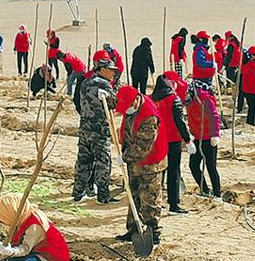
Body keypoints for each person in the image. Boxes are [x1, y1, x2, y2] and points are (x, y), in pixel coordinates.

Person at [114, 85, 168, 245]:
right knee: (134, 196)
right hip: (133, 162)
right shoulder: (131, 107)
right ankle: (133, 230)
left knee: (149, 198)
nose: (127, 110)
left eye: (129, 106)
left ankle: (153, 231)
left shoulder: (150, 116)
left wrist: (124, 157)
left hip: (151, 163)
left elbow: (143, 147)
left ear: (136, 100)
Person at [74, 58, 120, 204]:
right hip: (99, 130)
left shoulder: (85, 83)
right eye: (110, 70)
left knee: (83, 161)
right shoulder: (104, 85)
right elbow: (114, 103)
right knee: (103, 162)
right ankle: (103, 195)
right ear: (102, 70)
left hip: (85, 127)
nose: (113, 73)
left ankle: (78, 192)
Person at [152, 71, 195, 214]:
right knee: (174, 172)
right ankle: (174, 204)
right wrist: (188, 140)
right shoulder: (173, 99)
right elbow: (179, 122)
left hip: (158, 140)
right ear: (170, 83)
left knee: (159, 172)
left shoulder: (153, 98)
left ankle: (157, 201)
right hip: (173, 140)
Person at [185, 79, 222, 199]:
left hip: (209, 137)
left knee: (211, 166)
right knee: (193, 165)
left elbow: (214, 116)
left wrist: (215, 134)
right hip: (198, 137)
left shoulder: (204, 99)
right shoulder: (189, 102)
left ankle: (217, 194)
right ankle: (205, 189)